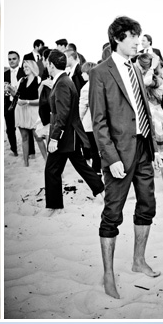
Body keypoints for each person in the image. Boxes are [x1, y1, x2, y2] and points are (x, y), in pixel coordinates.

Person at [89, 16, 161, 300]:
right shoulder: (100, 72)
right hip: (118, 154)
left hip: (144, 148)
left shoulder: (135, 66)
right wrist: (111, 158)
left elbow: (142, 109)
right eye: (133, 36)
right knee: (112, 213)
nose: (138, 41)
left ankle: (138, 260)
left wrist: (153, 150)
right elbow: (99, 121)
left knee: (147, 206)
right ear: (118, 38)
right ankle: (108, 274)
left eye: (139, 36)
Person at [45, 49, 104, 214]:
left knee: (52, 170)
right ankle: (101, 191)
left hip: (64, 135)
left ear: (51, 65)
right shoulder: (64, 80)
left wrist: (55, 138)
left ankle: (54, 207)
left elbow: (62, 114)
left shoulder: (63, 83)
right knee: (81, 165)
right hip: (70, 134)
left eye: (47, 63)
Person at [137, 53, 163, 198]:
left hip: (156, 119)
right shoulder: (140, 78)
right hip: (145, 118)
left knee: (162, 155)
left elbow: (146, 82)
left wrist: (151, 68)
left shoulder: (156, 80)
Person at [15, 58, 40, 167]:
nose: (25, 69)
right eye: (24, 67)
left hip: (33, 111)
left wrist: (27, 101)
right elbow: (17, 96)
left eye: (27, 67)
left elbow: (41, 100)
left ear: (32, 67)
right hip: (22, 111)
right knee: (24, 137)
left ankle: (46, 159)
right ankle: (25, 163)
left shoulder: (38, 80)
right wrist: (10, 90)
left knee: (38, 137)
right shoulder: (21, 80)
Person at [4, 50, 25, 156]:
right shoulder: (5, 74)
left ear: (18, 59)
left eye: (14, 59)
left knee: (25, 128)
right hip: (8, 105)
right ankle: (14, 149)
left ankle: (30, 151)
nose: (11, 61)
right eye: (9, 59)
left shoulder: (24, 73)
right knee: (10, 129)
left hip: (21, 104)